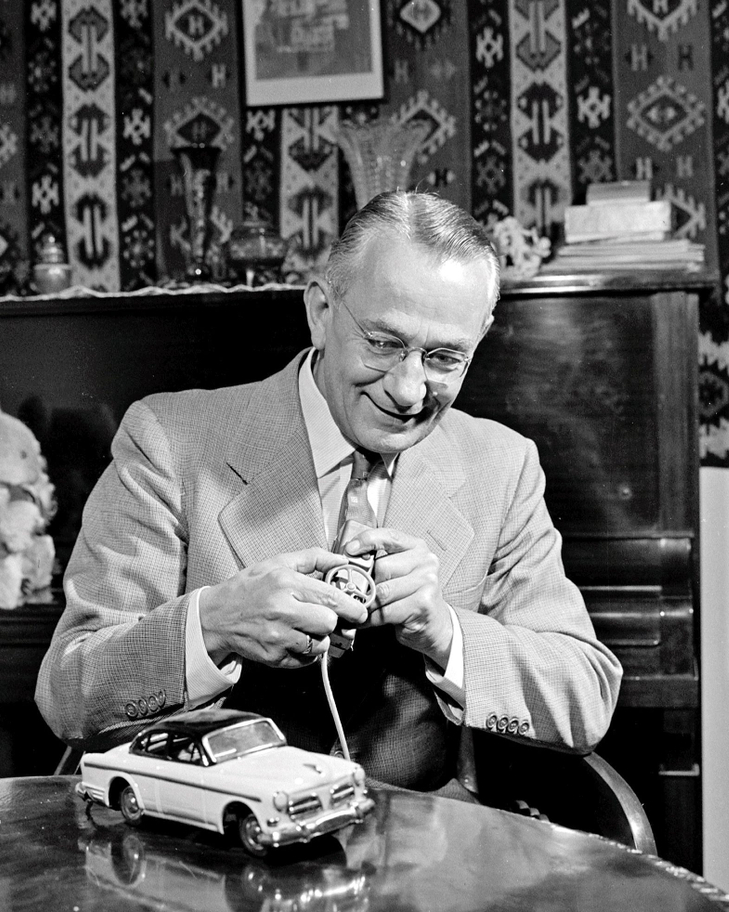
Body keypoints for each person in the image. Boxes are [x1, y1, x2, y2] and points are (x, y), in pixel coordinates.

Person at [36, 192, 621, 795]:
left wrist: (445, 631)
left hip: (418, 843)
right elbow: (68, 691)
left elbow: (585, 694)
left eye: (445, 357)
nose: (408, 390)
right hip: (216, 840)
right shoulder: (170, 440)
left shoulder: (501, 465)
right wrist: (213, 624)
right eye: (383, 343)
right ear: (320, 311)